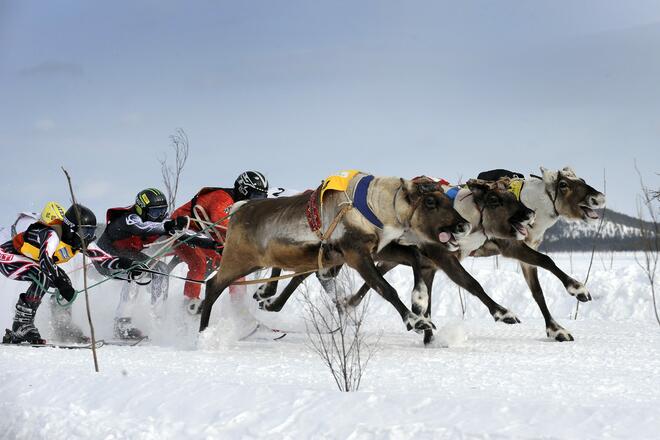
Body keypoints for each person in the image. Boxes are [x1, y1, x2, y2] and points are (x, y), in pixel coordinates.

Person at [0, 204, 144, 344]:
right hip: (7, 256)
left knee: (64, 282)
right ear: (71, 229)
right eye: (84, 233)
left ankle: (62, 325)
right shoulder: (52, 234)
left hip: (31, 260)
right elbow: (45, 260)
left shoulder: (81, 240)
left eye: (91, 232)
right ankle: (21, 325)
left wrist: (128, 265)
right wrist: (61, 284)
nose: (88, 237)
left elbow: (104, 259)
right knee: (43, 277)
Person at [96, 188, 218, 339]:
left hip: (129, 256)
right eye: (155, 213)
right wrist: (169, 226)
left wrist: (214, 244)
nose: (160, 216)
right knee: (136, 270)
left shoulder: (161, 222)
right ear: (142, 210)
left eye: (163, 211)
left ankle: (158, 320)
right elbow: (141, 227)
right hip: (105, 259)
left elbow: (186, 234)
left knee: (161, 270)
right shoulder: (129, 218)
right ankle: (122, 323)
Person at [171, 171, 269, 314]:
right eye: (256, 196)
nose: (258, 202)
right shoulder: (223, 199)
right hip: (181, 230)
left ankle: (239, 311)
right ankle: (189, 304)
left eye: (263, 198)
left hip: (205, 234)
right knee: (198, 262)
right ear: (243, 190)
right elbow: (222, 225)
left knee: (236, 266)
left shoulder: (241, 205)